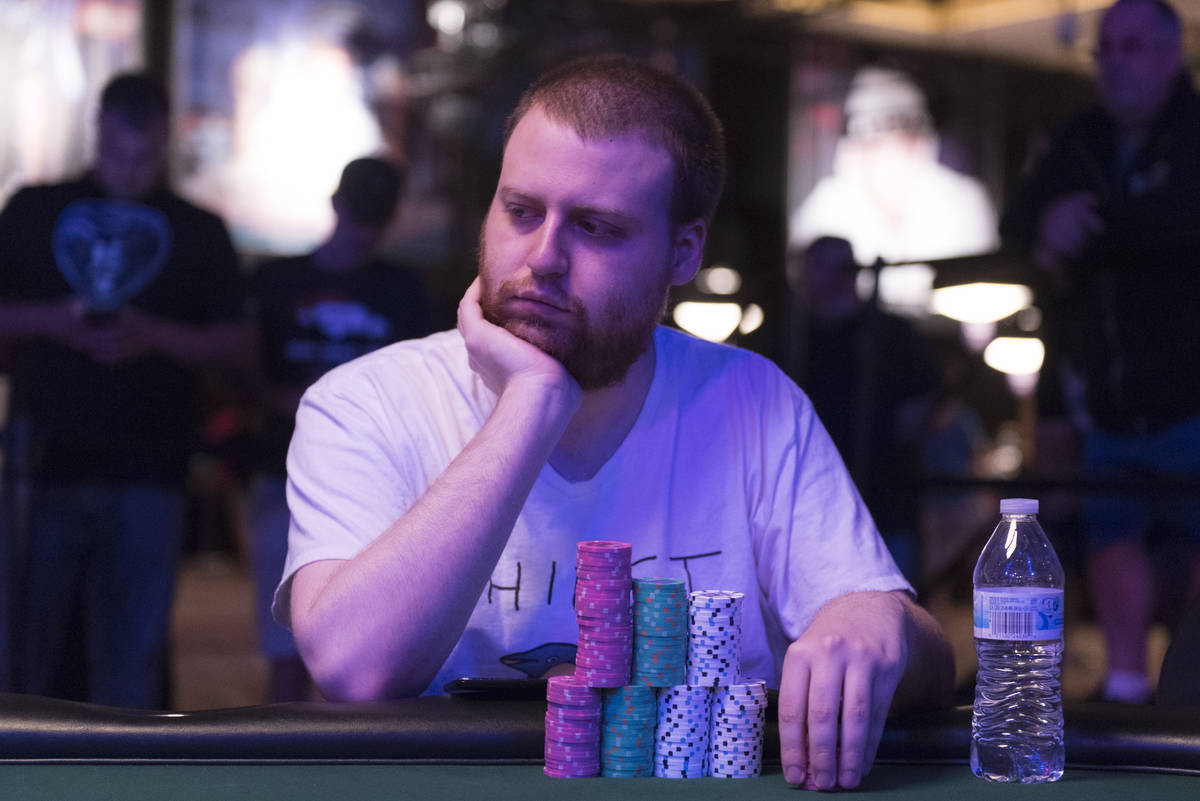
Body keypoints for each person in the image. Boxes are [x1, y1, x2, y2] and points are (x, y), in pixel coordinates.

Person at [276, 55, 953, 791]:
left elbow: (926, 657)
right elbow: (353, 666)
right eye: (521, 211)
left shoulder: (754, 403)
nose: (543, 259)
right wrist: (531, 404)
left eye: (596, 228)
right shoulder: (364, 402)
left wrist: (878, 621)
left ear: (683, 250)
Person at [0, 72, 253, 707]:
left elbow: (238, 346)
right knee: (21, 657)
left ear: (164, 141)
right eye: (118, 152)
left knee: (130, 663)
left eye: (144, 156)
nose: (130, 169)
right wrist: (54, 321)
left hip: (149, 471)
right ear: (98, 133)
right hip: (41, 467)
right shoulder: (34, 209)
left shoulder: (196, 229)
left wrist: (153, 336)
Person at [1001, 0, 1200, 703]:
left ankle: (1186, 694)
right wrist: (1051, 223)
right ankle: (1124, 689)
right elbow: (1019, 218)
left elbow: (1182, 218)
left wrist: (1089, 224)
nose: (1114, 60)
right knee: (1114, 538)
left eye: (1132, 46)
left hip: (1191, 395)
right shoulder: (1077, 139)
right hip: (1110, 402)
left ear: (1172, 54)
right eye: (1105, 47)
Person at [248, 156, 435, 702]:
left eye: (373, 221)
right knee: (285, 647)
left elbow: (422, 382)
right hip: (281, 472)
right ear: (337, 206)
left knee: (364, 648)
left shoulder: (403, 289)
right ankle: (280, 772)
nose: (363, 234)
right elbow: (237, 375)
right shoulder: (278, 281)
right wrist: (301, 403)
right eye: (360, 217)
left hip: (380, 483)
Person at [793, 236, 940, 583]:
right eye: (823, 267)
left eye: (844, 268)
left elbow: (923, 407)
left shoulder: (893, 334)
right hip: (806, 506)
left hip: (884, 501)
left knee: (890, 599)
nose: (835, 278)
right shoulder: (788, 337)